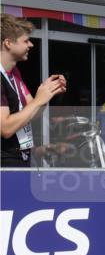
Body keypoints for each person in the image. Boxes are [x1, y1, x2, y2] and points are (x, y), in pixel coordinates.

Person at [1, 14, 66, 167]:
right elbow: (6, 128)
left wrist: (49, 91)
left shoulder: (14, 72)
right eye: (26, 41)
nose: (31, 45)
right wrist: (39, 99)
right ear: (8, 43)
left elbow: (33, 112)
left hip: (20, 158)